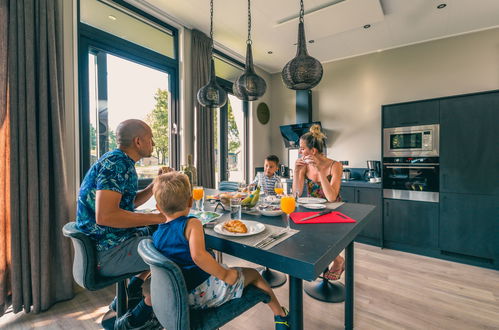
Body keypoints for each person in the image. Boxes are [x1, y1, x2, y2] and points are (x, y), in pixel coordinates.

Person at [147, 172, 291, 329]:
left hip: (177, 297)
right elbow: (198, 256)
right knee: (255, 275)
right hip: (201, 293)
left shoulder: (157, 233)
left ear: (158, 207)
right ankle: (281, 315)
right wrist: (226, 275)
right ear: (190, 200)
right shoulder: (192, 224)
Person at [76, 119, 171, 329]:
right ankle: (136, 319)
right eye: (150, 139)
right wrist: (159, 217)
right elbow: (106, 216)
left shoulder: (118, 161)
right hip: (108, 252)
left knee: (160, 232)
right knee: (176, 248)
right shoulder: (118, 164)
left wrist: (155, 186)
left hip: (108, 243)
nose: (153, 143)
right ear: (138, 141)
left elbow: (126, 203)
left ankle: (129, 293)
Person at [292, 124, 345, 281]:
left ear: (313, 151)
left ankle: (338, 260)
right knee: (303, 235)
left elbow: (331, 198)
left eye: (302, 148)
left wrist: (320, 171)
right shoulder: (303, 165)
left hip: (333, 209)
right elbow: (296, 194)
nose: (299, 152)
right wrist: (296, 171)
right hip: (312, 209)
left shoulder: (335, 166)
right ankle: (321, 266)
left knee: (319, 236)